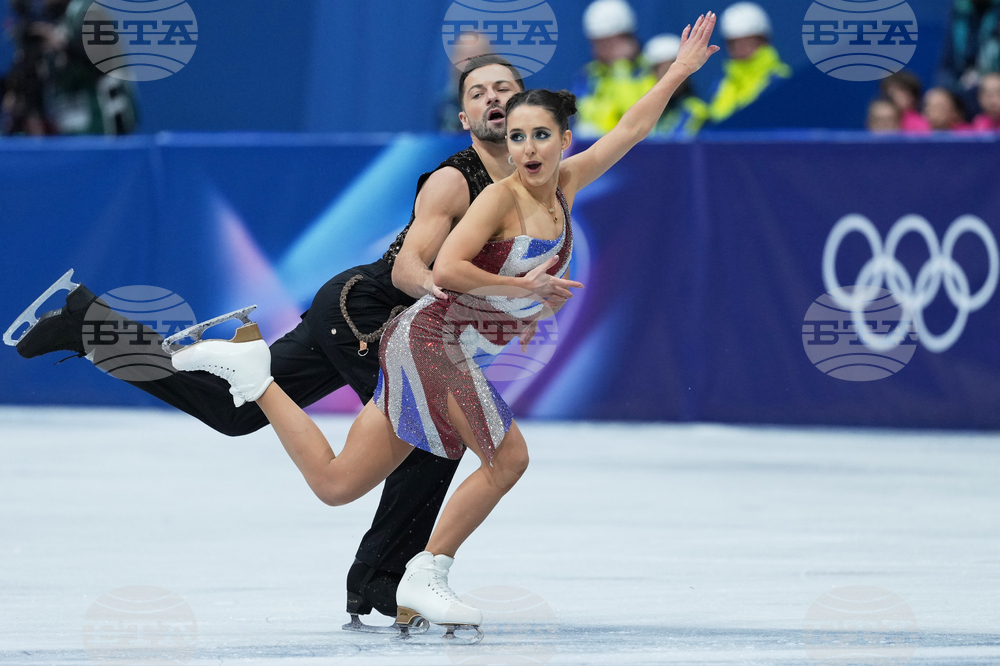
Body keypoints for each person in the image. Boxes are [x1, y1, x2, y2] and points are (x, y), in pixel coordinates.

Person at [168, 12, 721, 633]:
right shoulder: (491, 196)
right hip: (429, 339)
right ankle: (426, 575)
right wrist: (522, 290)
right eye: (516, 138)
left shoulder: (567, 184)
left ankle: (255, 376)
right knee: (507, 458)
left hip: (431, 342)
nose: (528, 149)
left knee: (336, 483)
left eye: (540, 136)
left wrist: (676, 71)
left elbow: (632, 128)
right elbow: (449, 268)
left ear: (566, 139)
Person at [8, 55, 525, 629]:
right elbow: (407, 267)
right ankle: (386, 584)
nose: (492, 98)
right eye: (479, 92)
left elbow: (614, 145)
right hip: (372, 314)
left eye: (504, 88)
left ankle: (91, 327)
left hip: (355, 310)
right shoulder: (457, 179)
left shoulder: (531, 185)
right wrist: (444, 291)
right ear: (463, 115)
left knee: (231, 412)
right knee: (433, 434)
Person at [573, 0, 657, 137]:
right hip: (593, 152)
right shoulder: (588, 75)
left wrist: (621, 69)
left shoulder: (651, 70)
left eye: (608, 43)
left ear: (627, 38)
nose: (601, 50)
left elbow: (640, 117)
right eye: (597, 43)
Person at [703, 1, 790, 126]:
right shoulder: (721, 85)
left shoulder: (780, 78)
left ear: (763, 41)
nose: (740, 48)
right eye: (734, 43)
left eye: (748, 41)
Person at [939, 0, 1000, 111]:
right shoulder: (958, 12)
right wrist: (947, 87)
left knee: (992, 87)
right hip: (963, 81)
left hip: (993, 76)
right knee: (938, 97)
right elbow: (947, 63)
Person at [643, 33, 707, 137]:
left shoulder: (697, 111)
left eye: (676, 69)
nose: (670, 77)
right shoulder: (643, 110)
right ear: (653, 73)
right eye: (663, 69)